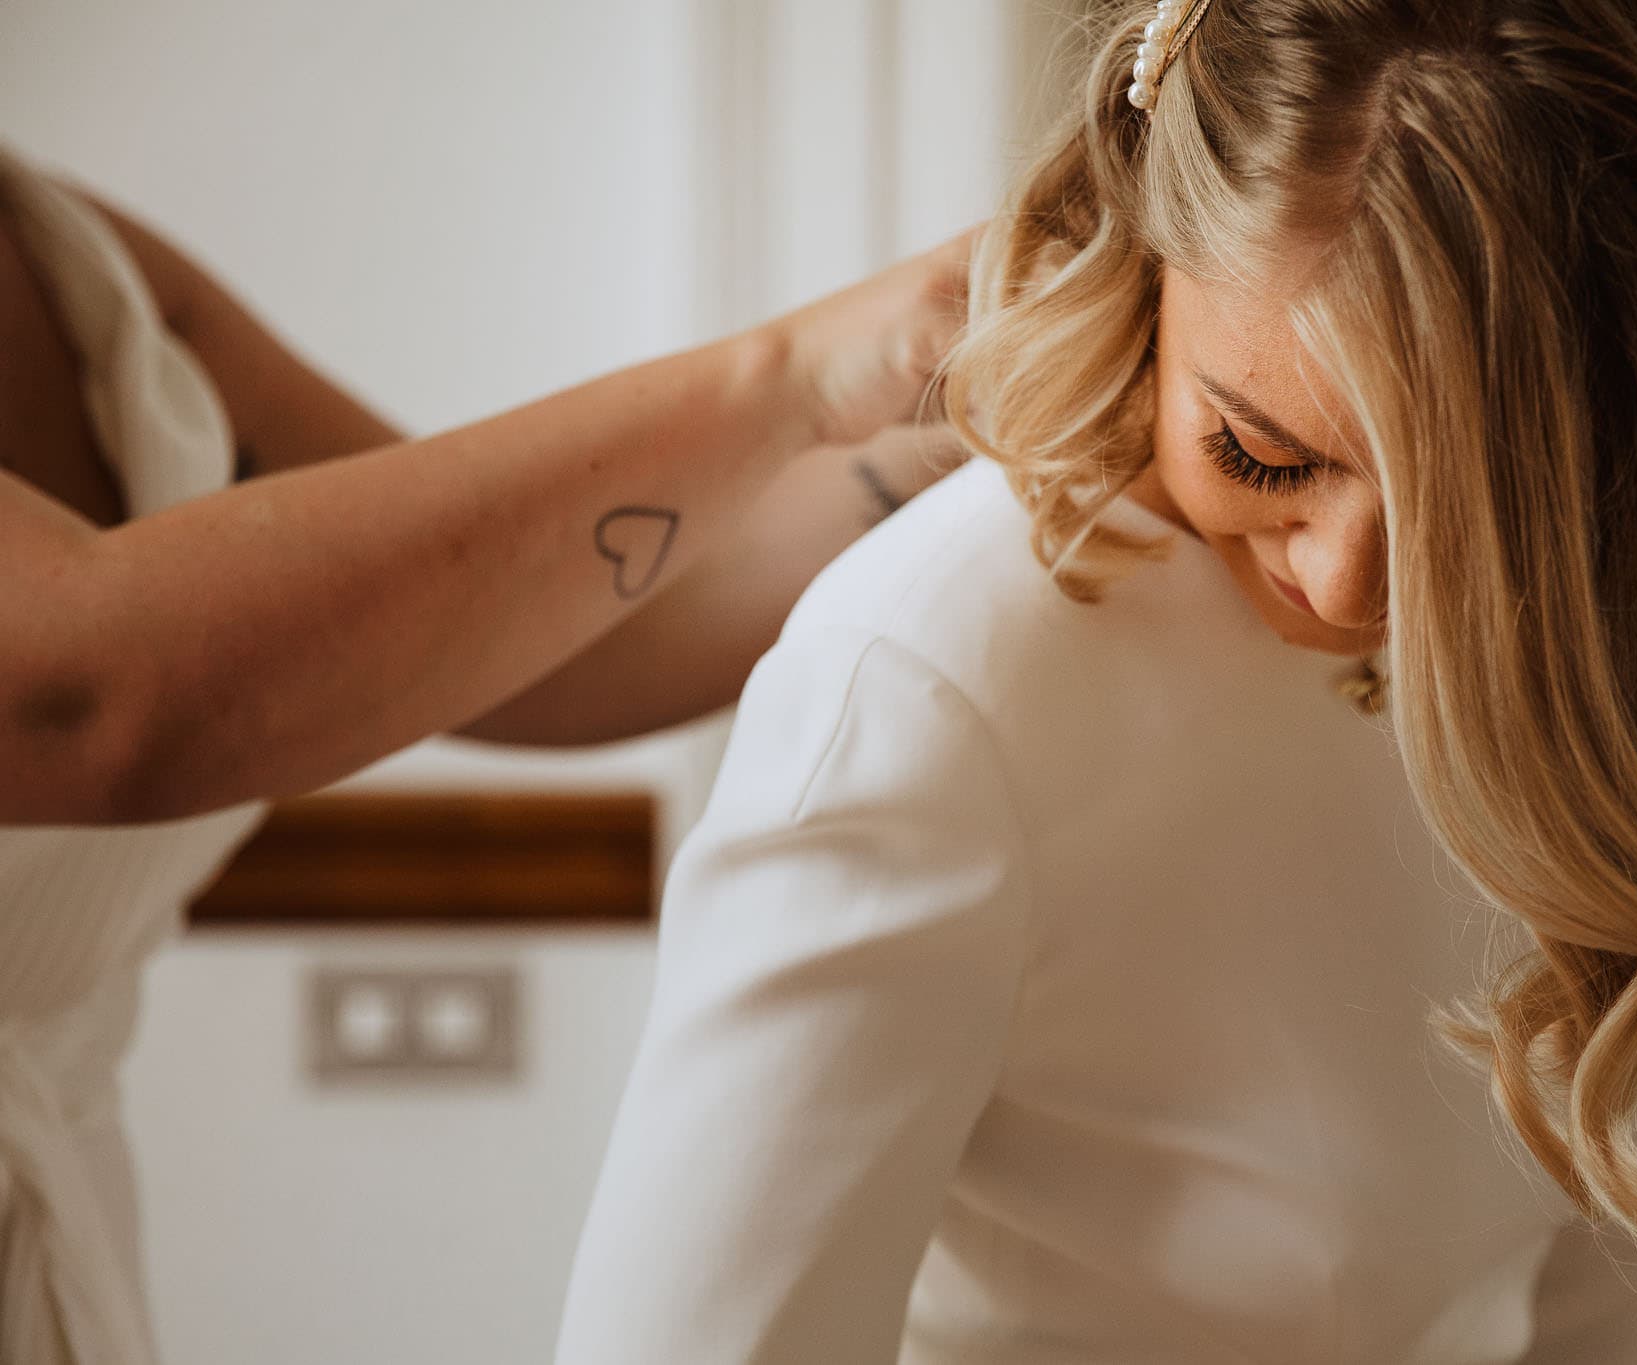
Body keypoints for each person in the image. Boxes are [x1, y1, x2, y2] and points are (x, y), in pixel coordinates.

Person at [555, 0, 1637, 1360]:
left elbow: (1603, 1305)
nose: (1342, 587)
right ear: (1149, 261)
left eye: (1475, 512)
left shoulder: (1600, 632)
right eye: (1263, 456)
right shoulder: (929, 690)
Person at [0, 140, 967, 1365]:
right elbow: (88, 697)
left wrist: (984, 425)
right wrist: (793, 376)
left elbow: (554, 616)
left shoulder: (69, 257)